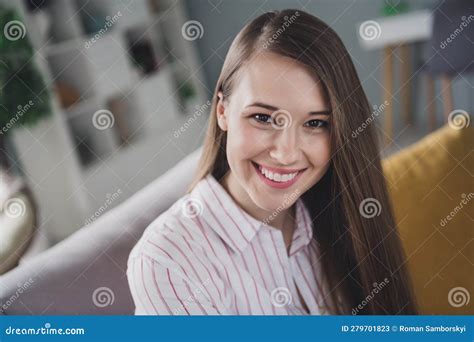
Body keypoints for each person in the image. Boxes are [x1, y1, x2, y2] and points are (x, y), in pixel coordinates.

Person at [127, 9, 418, 315]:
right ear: (222, 112)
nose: (286, 153)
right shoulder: (169, 263)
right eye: (263, 118)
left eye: (316, 123)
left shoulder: (341, 213)